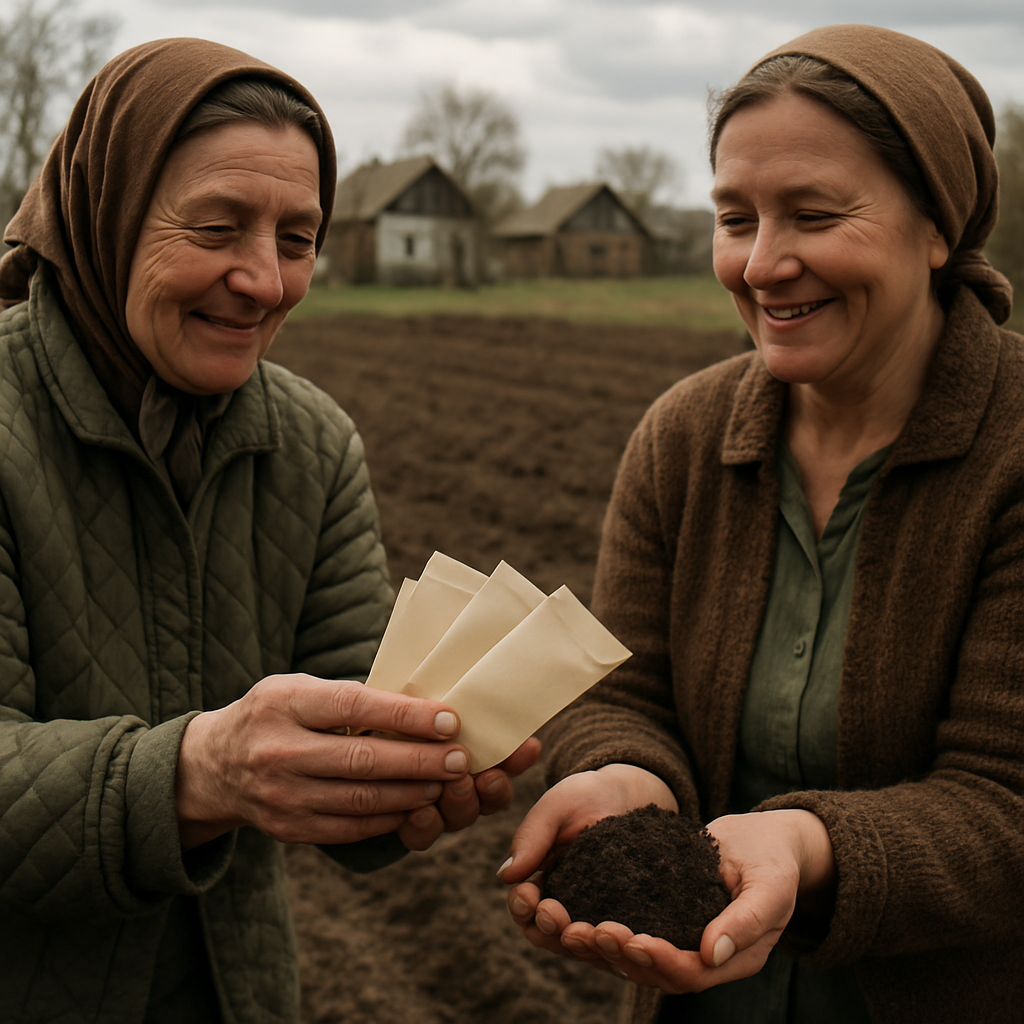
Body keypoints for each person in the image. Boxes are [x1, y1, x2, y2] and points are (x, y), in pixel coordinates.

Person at [0, 38, 539, 1024]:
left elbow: (345, 730)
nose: (262, 279)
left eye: (297, 238)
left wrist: (402, 780)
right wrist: (198, 771)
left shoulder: (310, 442)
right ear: (106, 215)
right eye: (217, 227)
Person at [500, 23, 1024, 1024]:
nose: (763, 263)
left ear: (936, 227)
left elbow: (1006, 802)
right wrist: (621, 779)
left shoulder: (1009, 451)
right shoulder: (684, 438)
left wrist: (801, 844)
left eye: (814, 215)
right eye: (735, 218)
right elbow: (625, 690)